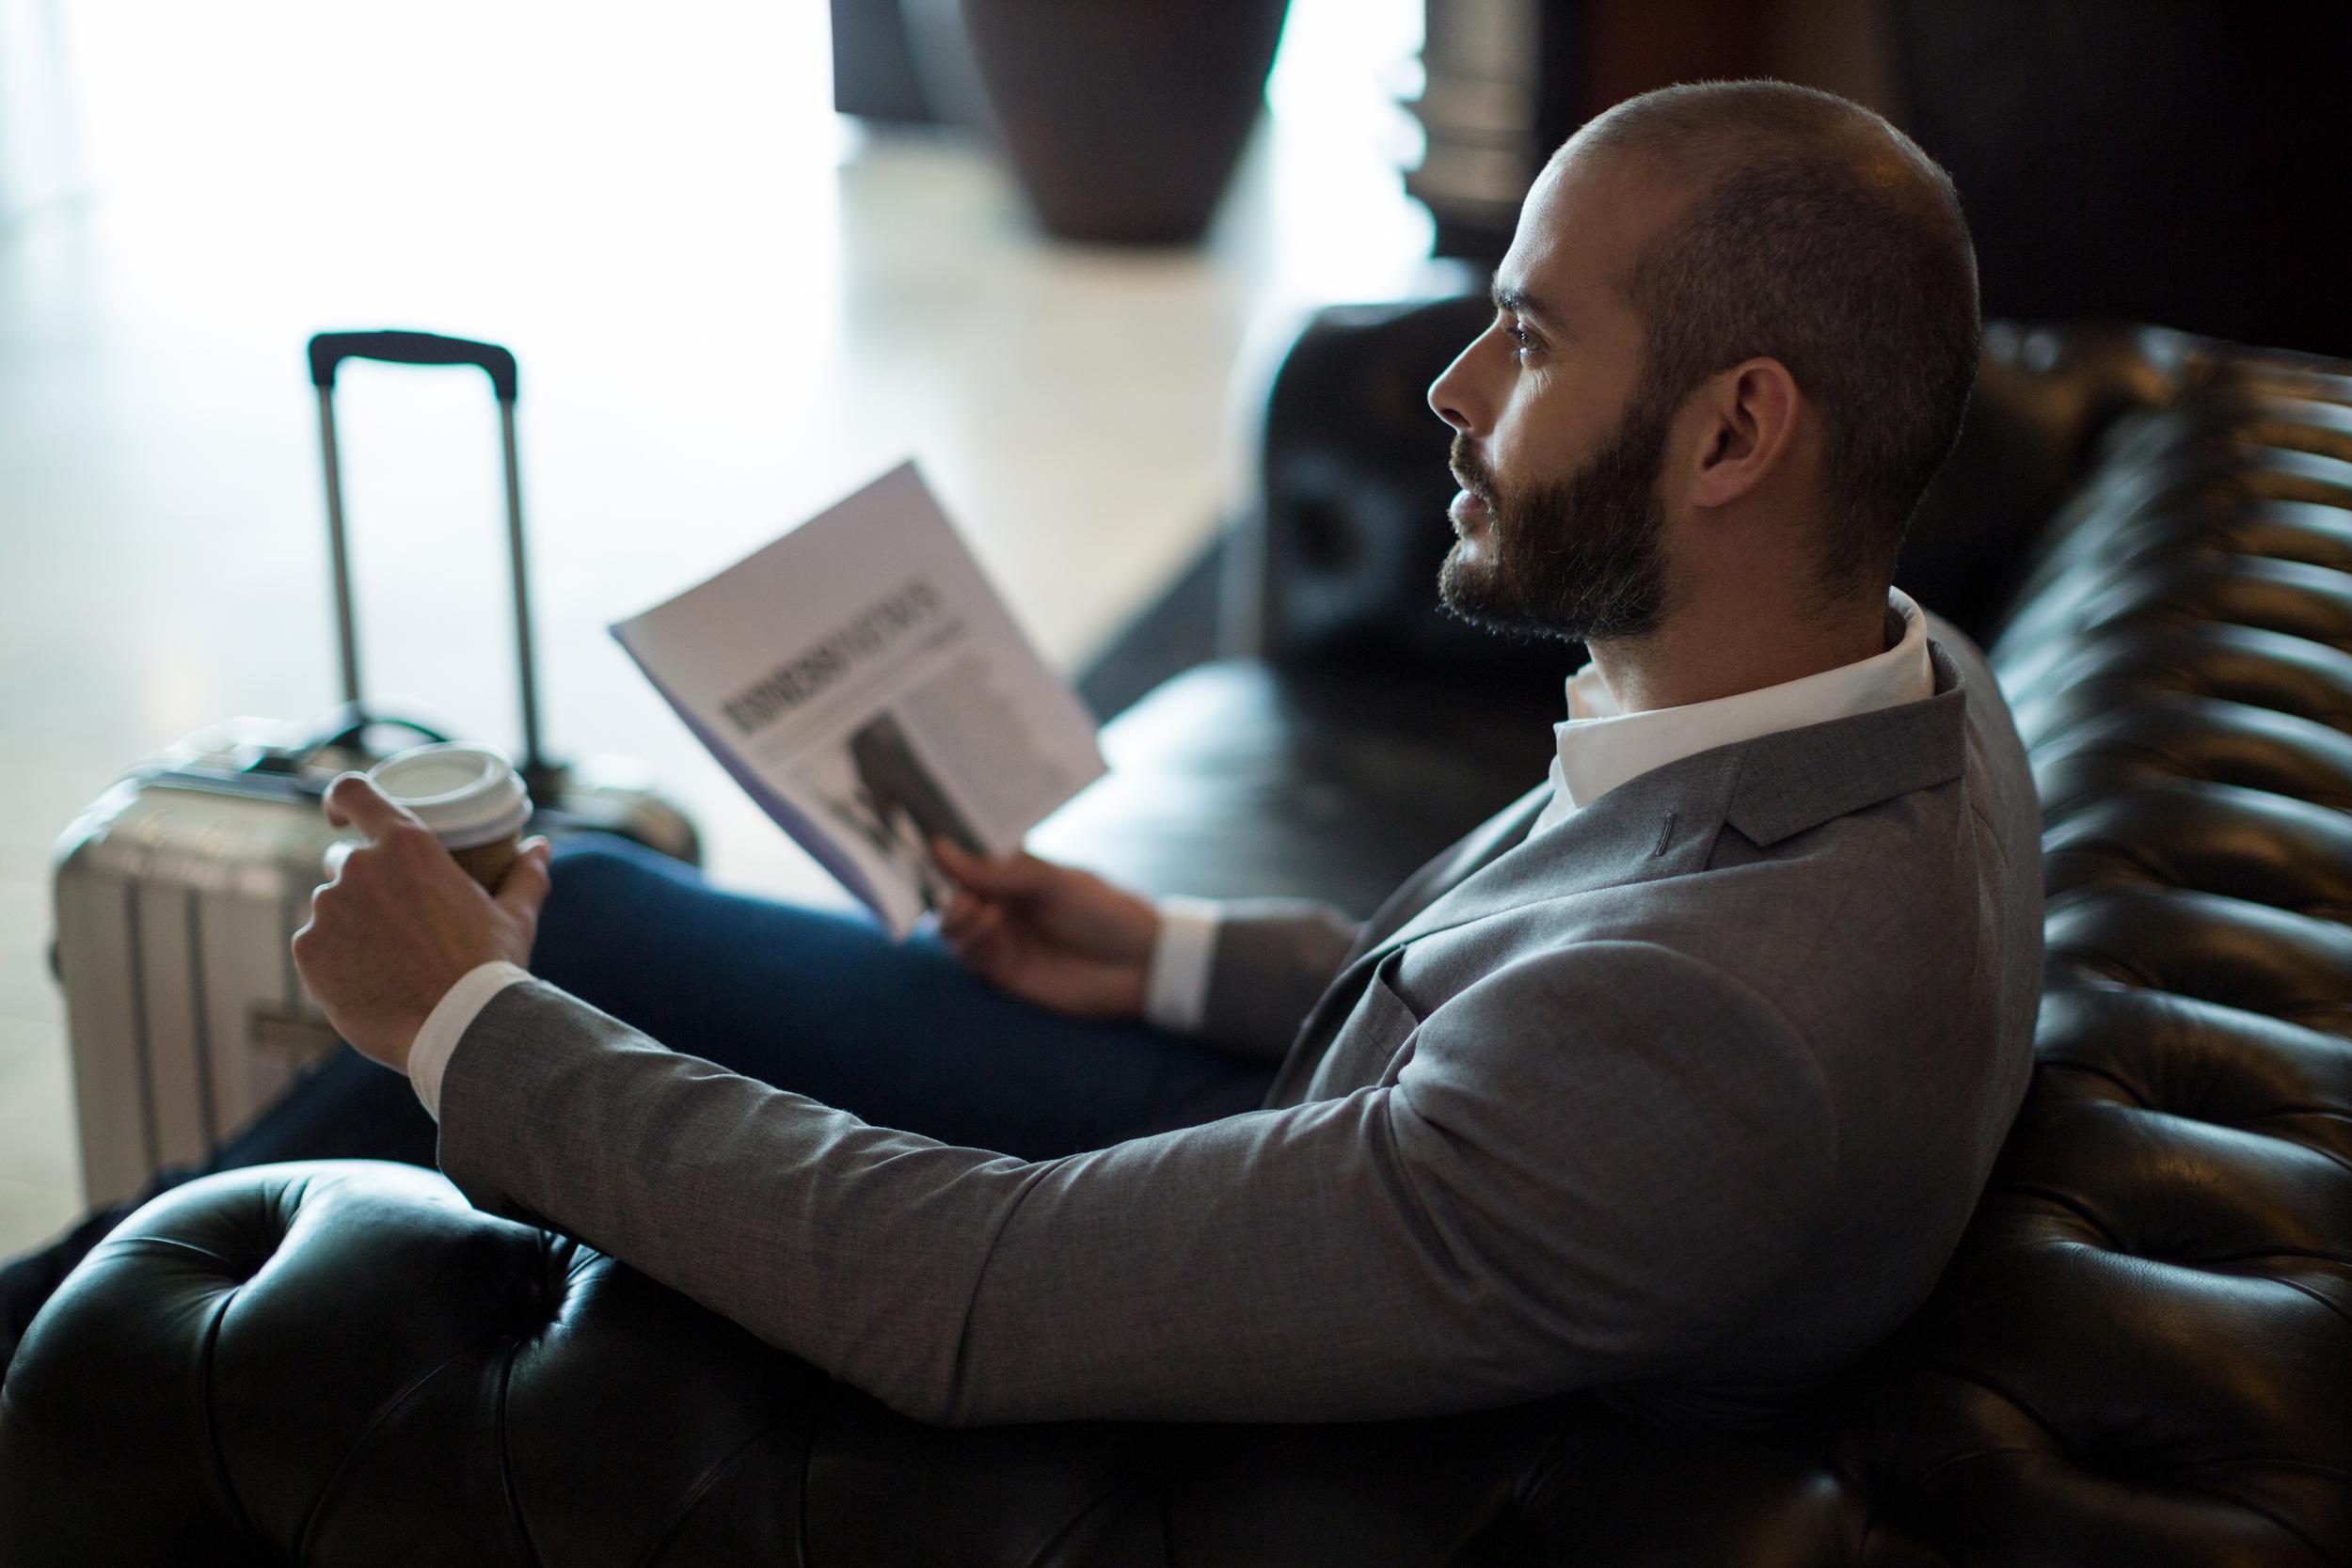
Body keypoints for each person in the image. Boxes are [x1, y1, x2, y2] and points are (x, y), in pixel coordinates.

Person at [1, 78, 2042, 1431]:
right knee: (600, 906)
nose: (1444, 383)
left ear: (1729, 433)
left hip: (1185, 1352)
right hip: (1341, 1155)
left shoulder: (1707, 1051)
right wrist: (1153, 953)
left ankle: (62, 1372)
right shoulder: (1896, 684)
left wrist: (454, 1031)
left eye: (1524, 335)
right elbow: (1521, 998)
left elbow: (974, 1297)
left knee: (512, 980)